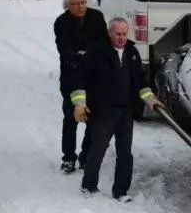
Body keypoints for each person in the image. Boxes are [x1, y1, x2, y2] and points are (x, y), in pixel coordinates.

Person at [70, 17, 164, 202]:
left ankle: (120, 191)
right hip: (102, 110)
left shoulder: (132, 52)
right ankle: (88, 186)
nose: (121, 38)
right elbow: (79, 78)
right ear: (109, 33)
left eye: (124, 34)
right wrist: (80, 103)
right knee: (98, 149)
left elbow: (140, 80)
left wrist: (149, 98)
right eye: (117, 34)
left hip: (125, 111)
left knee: (125, 153)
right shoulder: (96, 52)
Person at [54, 0, 107, 173]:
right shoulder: (61, 22)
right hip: (71, 77)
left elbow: (102, 43)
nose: (81, 6)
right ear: (68, 6)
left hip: (94, 77)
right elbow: (64, 49)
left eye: (84, 2)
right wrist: (82, 57)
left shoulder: (97, 17)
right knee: (71, 118)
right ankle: (68, 158)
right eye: (76, 4)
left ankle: (86, 156)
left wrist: (88, 56)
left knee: (92, 118)